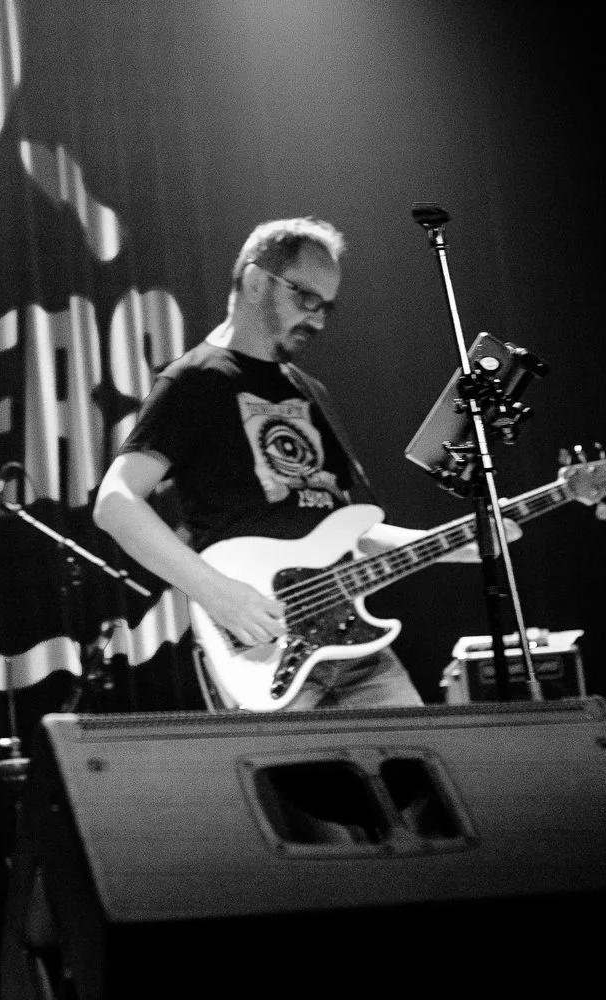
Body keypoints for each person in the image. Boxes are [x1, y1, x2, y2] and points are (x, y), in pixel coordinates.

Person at [95, 217, 508, 710]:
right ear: (254, 281)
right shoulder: (194, 381)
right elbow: (116, 503)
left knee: (422, 776)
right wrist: (217, 593)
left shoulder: (311, 393)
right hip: (263, 649)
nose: (316, 318)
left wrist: (457, 541)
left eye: (326, 307)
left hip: (355, 648)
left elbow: (346, 531)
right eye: (304, 298)